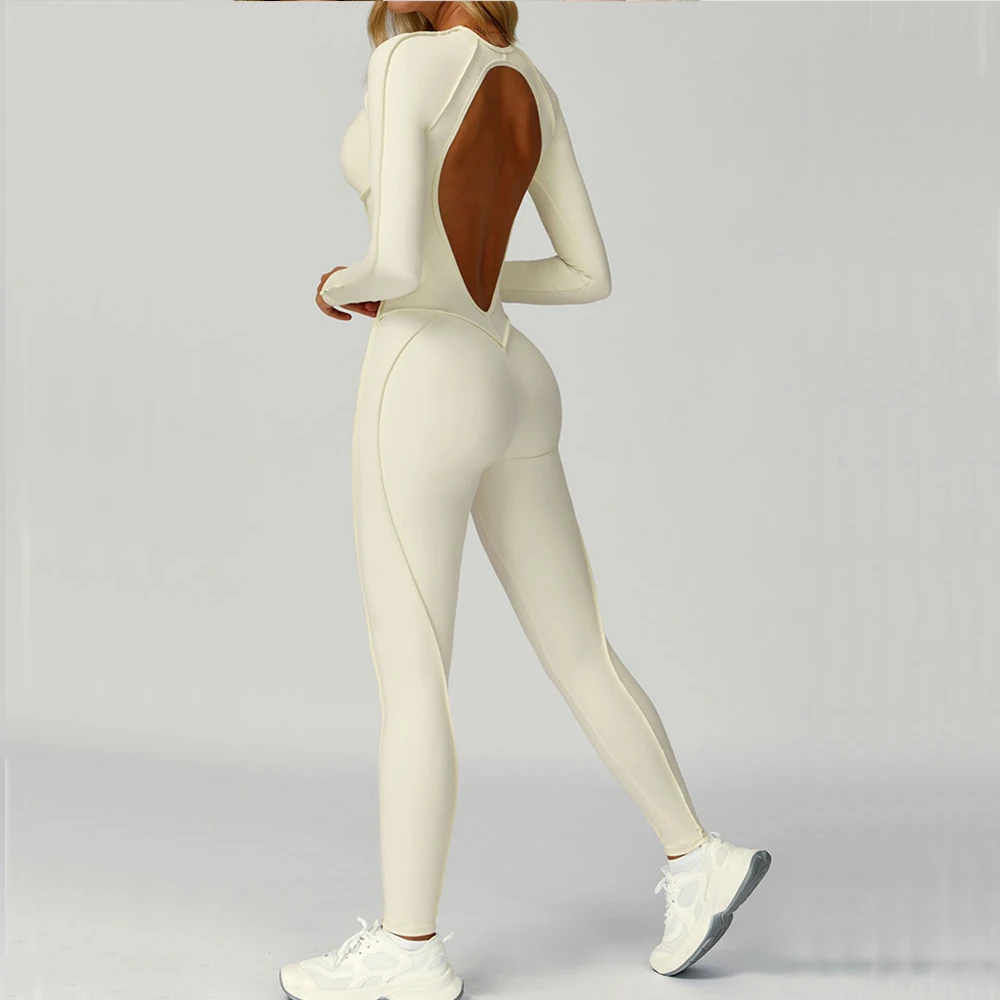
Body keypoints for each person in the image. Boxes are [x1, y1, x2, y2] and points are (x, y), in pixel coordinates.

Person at [280, 4, 770, 998]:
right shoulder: (531, 82)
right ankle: (697, 856)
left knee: (414, 675)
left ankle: (408, 947)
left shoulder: (407, 61)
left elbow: (394, 264)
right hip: (512, 367)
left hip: (424, 370)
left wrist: (340, 284)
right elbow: (588, 274)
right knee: (581, 647)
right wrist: (469, 277)